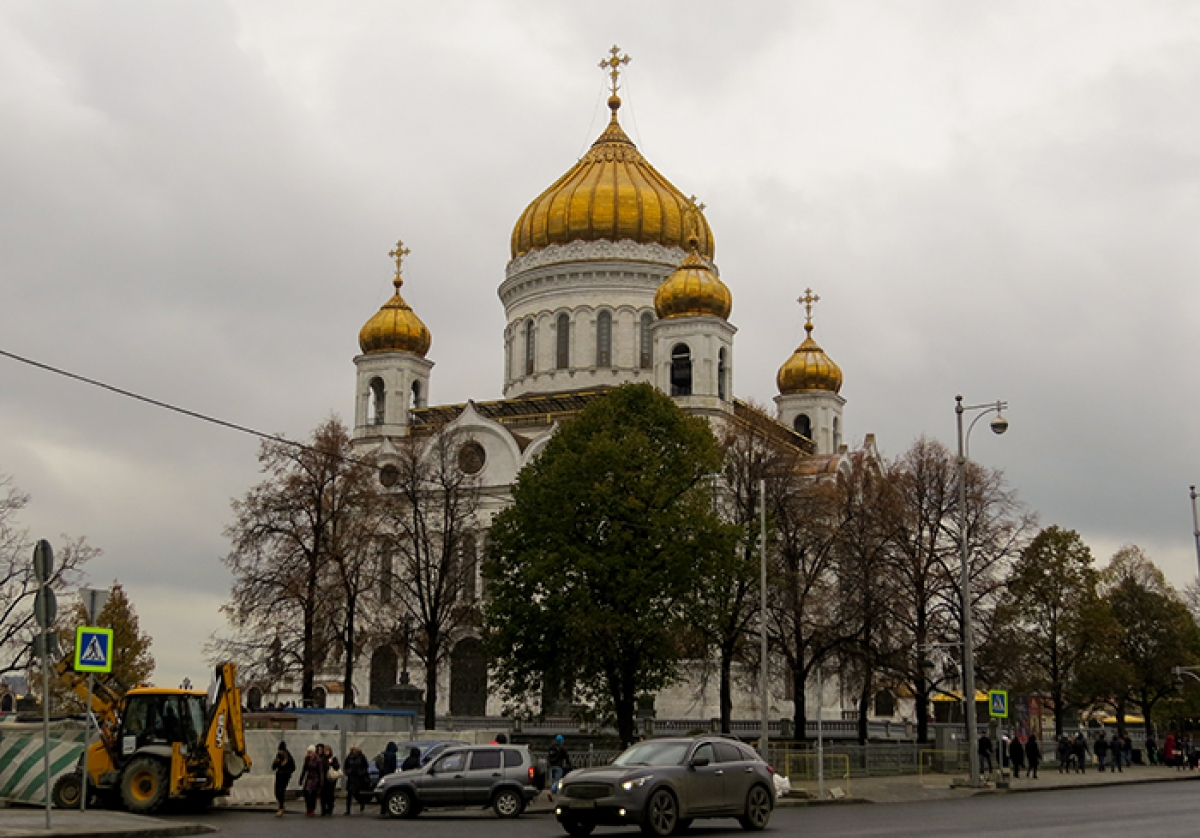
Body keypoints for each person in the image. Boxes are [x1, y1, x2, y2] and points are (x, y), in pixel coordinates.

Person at [342, 745, 371, 815]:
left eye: (354, 749)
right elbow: (345, 766)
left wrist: (361, 772)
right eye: (352, 749)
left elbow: (366, 766)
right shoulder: (349, 757)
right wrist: (347, 772)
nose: (353, 750)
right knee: (349, 794)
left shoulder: (361, 757)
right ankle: (348, 810)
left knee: (357, 793)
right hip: (351, 777)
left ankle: (362, 803)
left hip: (358, 778)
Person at [271, 741, 296, 817]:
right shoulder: (278, 756)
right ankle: (281, 805)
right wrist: (276, 762)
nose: (280, 751)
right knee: (276, 792)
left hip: (285, 777)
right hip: (278, 775)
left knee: (281, 791)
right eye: (279, 750)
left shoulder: (289, 757)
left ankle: (281, 807)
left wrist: (287, 772)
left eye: (281, 750)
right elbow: (273, 767)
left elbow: (293, 767)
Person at [299, 745, 323, 817]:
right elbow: (304, 769)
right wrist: (301, 779)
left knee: (312, 795)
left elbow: (320, 771)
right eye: (308, 752)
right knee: (306, 794)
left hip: (315, 779)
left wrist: (321, 782)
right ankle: (308, 808)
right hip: (309, 779)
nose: (309, 754)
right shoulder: (307, 759)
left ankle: (312, 809)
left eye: (310, 752)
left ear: (313, 752)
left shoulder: (318, 760)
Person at [319, 744, 340, 816]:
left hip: (331, 780)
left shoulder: (333, 758)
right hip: (324, 779)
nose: (326, 752)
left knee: (330, 795)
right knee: (323, 795)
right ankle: (323, 809)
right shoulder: (322, 758)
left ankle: (330, 808)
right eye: (325, 751)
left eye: (327, 751)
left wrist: (331, 763)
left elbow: (337, 767)